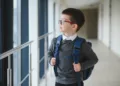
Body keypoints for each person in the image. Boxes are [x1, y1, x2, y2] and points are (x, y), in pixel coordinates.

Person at [48, 8, 98, 86]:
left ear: (74, 26)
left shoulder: (82, 44)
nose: (59, 23)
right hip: (58, 81)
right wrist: (50, 60)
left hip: (75, 82)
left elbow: (94, 59)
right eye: (59, 21)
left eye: (63, 21)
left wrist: (81, 66)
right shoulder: (55, 41)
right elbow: (49, 53)